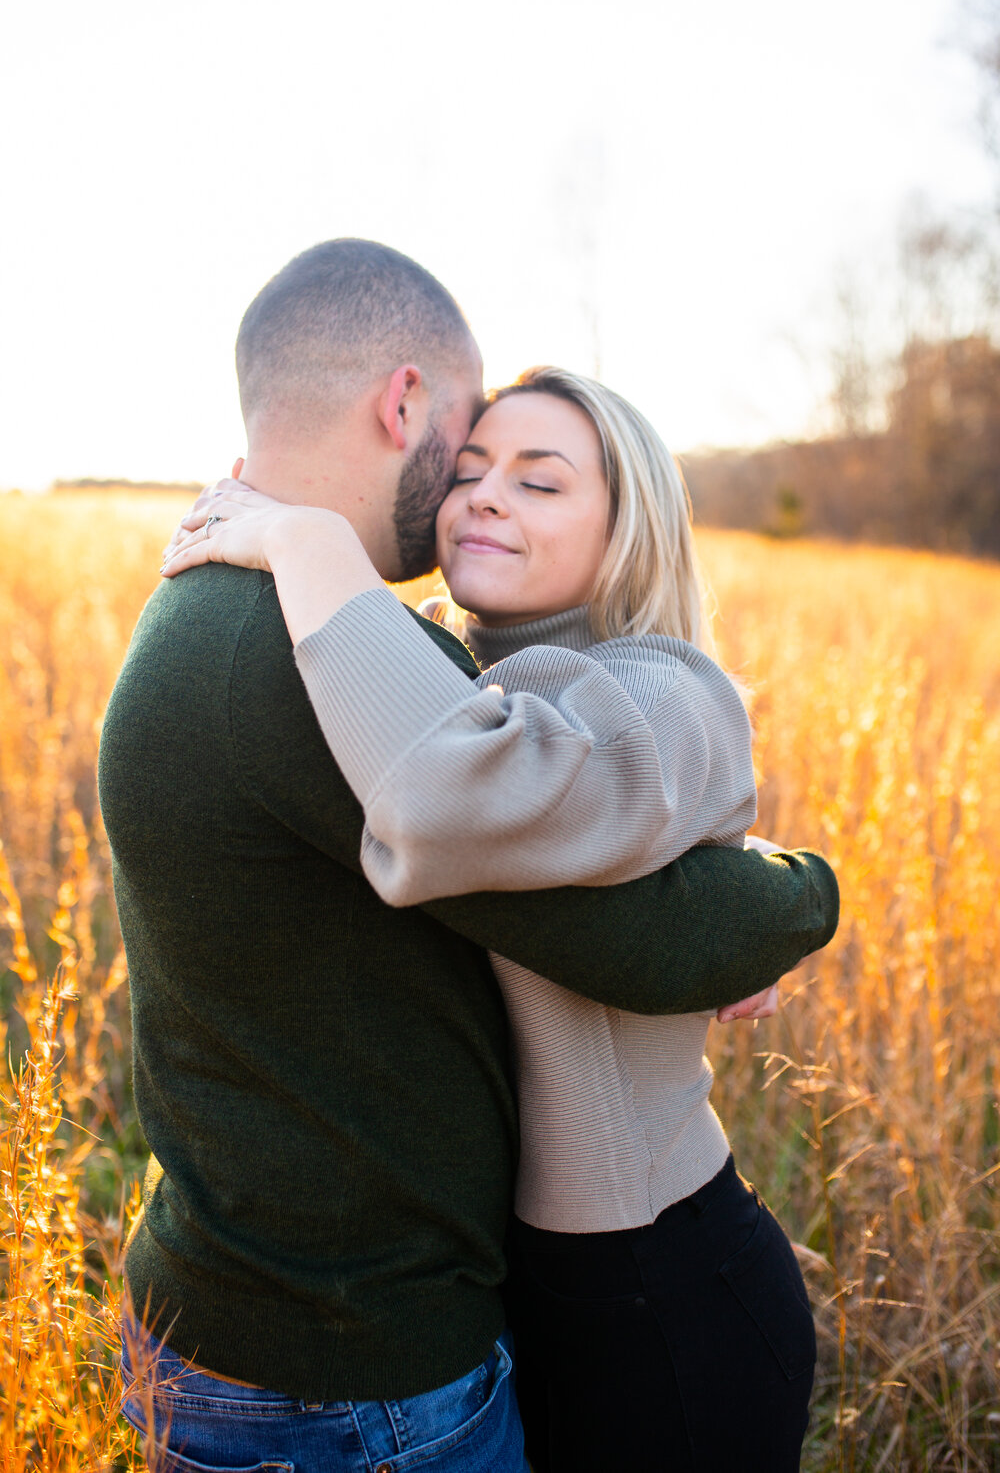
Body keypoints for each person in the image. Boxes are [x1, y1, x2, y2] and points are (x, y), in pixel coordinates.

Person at [101, 239, 838, 1473]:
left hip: (627, 1290)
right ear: (405, 405)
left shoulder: (285, 630)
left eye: (542, 481)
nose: (480, 492)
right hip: (349, 1367)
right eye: (472, 454)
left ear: (626, 526)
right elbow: (635, 920)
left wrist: (782, 884)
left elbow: (596, 849)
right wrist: (780, 903)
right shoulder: (328, 658)